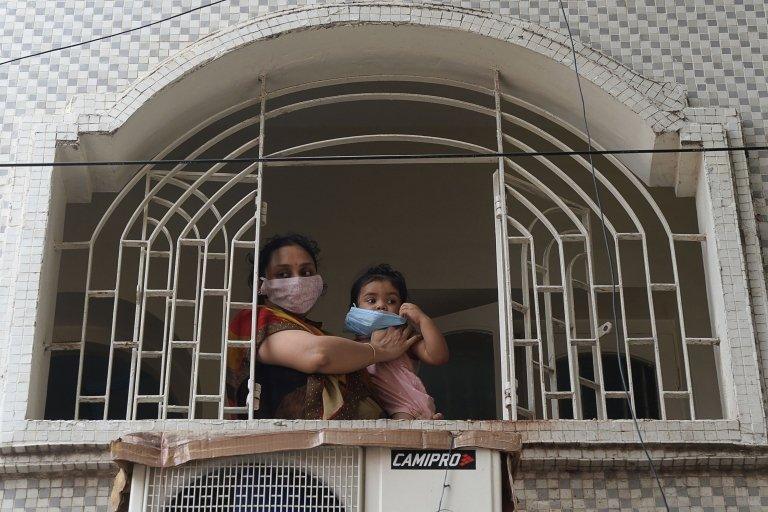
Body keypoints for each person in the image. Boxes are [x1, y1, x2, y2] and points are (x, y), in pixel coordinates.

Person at [226, 234, 421, 420]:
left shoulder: (317, 333)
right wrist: (378, 350)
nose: (298, 281)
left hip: (353, 448)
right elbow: (318, 355)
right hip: (287, 448)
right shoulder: (254, 320)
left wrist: (414, 413)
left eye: (306, 272)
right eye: (283, 274)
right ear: (261, 284)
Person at [347, 264, 449, 419]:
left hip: (414, 408)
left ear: (402, 308)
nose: (381, 305)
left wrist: (423, 320)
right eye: (371, 300)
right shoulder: (353, 348)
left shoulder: (405, 338)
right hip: (390, 414)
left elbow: (438, 356)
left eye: (391, 301)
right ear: (355, 308)